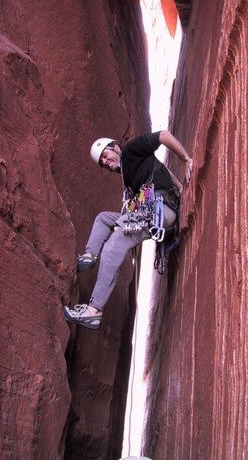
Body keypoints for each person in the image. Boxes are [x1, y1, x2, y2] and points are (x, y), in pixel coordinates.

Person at [64, 130, 193, 329]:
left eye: (106, 156)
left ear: (116, 147)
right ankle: (89, 256)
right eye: (102, 163)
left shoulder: (132, 150)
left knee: (115, 242)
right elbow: (159, 169)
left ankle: (94, 310)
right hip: (149, 213)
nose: (106, 162)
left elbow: (163, 135)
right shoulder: (128, 177)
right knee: (104, 219)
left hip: (160, 211)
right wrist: (178, 188)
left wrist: (186, 160)